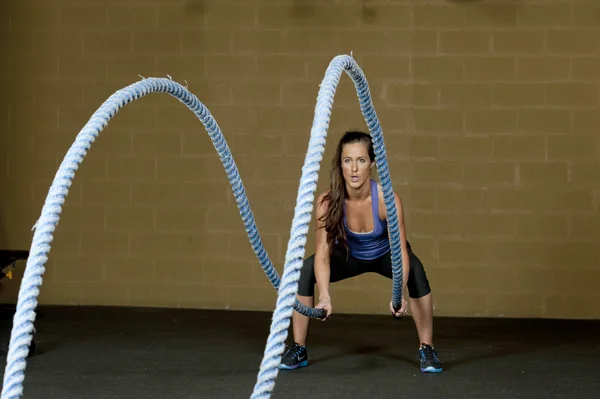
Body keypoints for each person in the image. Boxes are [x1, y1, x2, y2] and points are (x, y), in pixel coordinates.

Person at [278, 130, 443, 373]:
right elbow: (323, 254)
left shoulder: (387, 200)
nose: (354, 168)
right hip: (349, 256)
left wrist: (398, 293)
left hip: (386, 255)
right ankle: (299, 347)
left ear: (372, 164)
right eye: (348, 161)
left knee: (417, 271)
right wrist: (324, 296)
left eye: (361, 160)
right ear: (340, 165)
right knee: (304, 271)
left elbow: (401, 253)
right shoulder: (327, 201)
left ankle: (426, 348)